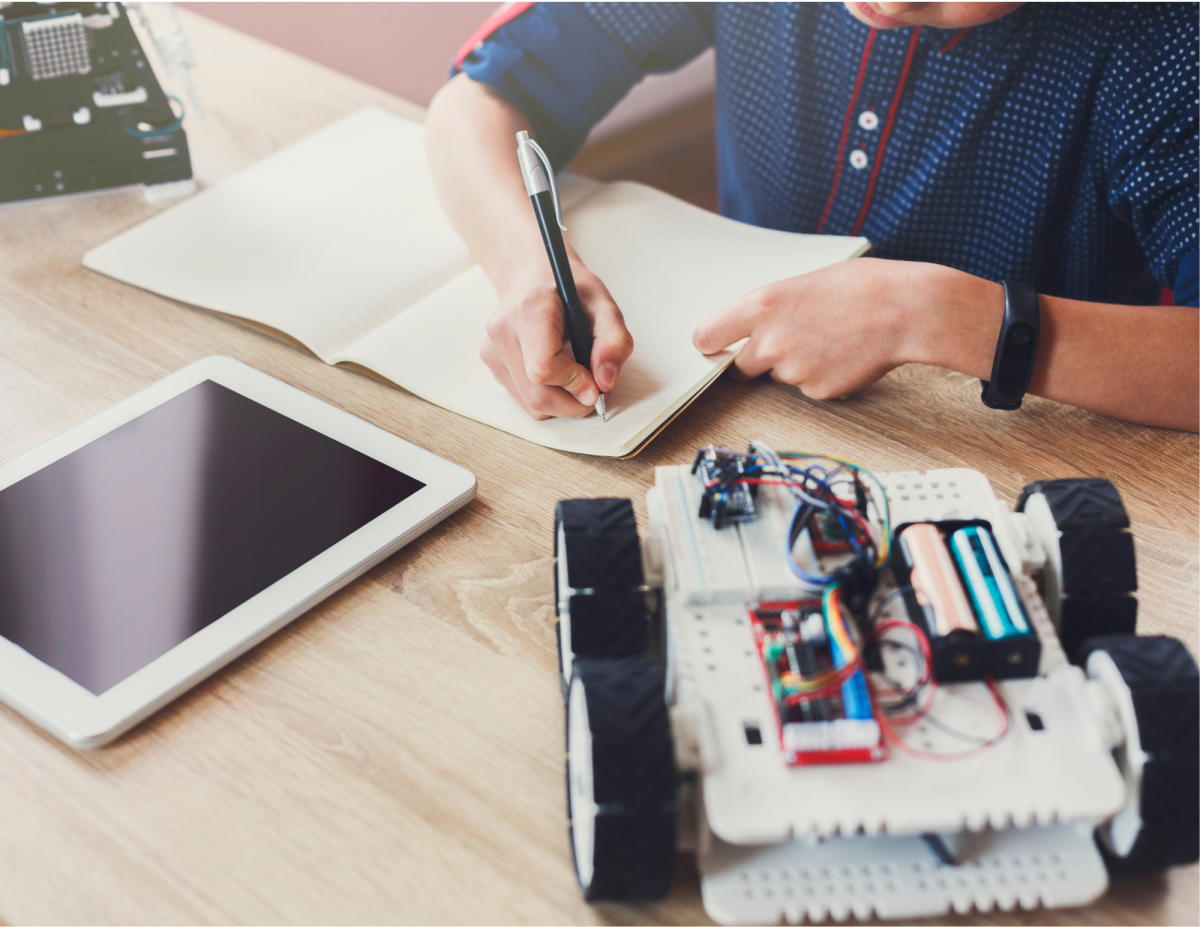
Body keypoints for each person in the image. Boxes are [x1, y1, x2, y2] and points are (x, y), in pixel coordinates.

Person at [425, 2, 1199, 431]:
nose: (889, 1)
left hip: (1022, 461)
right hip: (727, 415)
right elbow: (482, 97)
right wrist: (527, 269)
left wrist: (942, 318)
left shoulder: (1167, 38)